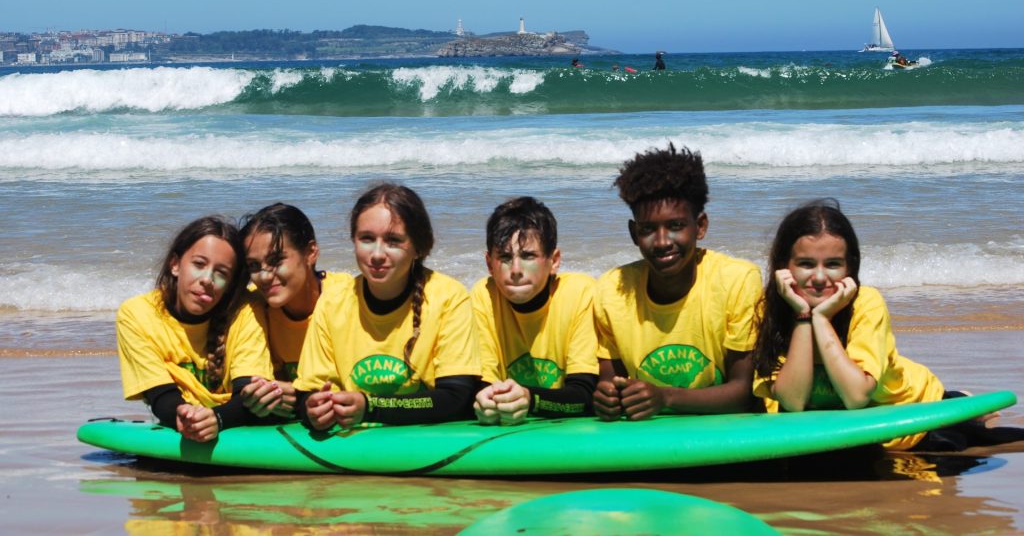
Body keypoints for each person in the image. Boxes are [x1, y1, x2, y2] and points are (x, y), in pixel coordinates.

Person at [751, 199, 1024, 450]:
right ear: (783, 267)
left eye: (833, 264)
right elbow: (793, 402)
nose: (820, 277)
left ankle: (960, 402)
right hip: (842, 426)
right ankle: (962, 399)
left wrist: (820, 319)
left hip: (913, 410)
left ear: (850, 268)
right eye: (806, 264)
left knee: (978, 445)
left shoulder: (865, 303)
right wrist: (802, 317)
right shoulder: (770, 310)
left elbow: (856, 397)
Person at [593, 143, 763, 421]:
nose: (661, 242)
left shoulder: (737, 281)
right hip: (651, 442)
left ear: (701, 226)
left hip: (728, 437)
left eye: (675, 226)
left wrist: (665, 397)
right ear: (634, 233)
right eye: (648, 229)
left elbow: (744, 392)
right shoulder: (612, 290)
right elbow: (610, 384)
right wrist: (607, 398)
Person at [294, 183, 481, 429]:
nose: (377, 254)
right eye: (367, 239)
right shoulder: (332, 302)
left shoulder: (449, 298)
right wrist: (313, 408)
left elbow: (457, 398)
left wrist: (371, 408)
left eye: (393, 241)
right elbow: (307, 391)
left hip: (424, 440)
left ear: (419, 247)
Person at [116, 216, 273, 443]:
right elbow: (160, 396)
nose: (207, 279)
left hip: (240, 422)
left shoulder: (245, 310)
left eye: (221, 273)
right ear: (175, 264)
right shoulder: (137, 314)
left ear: (230, 283)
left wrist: (217, 419)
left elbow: (250, 394)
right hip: (186, 421)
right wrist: (186, 418)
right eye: (199, 264)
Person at [472, 197, 599, 425]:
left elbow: (584, 394)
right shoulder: (483, 297)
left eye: (528, 256)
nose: (516, 270)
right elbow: (483, 385)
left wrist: (530, 399)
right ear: (490, 264)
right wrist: (486, 403)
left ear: (554, 260)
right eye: (505, 257)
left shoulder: (580, 293)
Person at [237, 203, 353, 419]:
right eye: (254, 266)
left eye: (275, 261)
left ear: (310, 253)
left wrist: (300, 398)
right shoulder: (257, 310)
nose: (263, 276)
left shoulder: (346, 297)